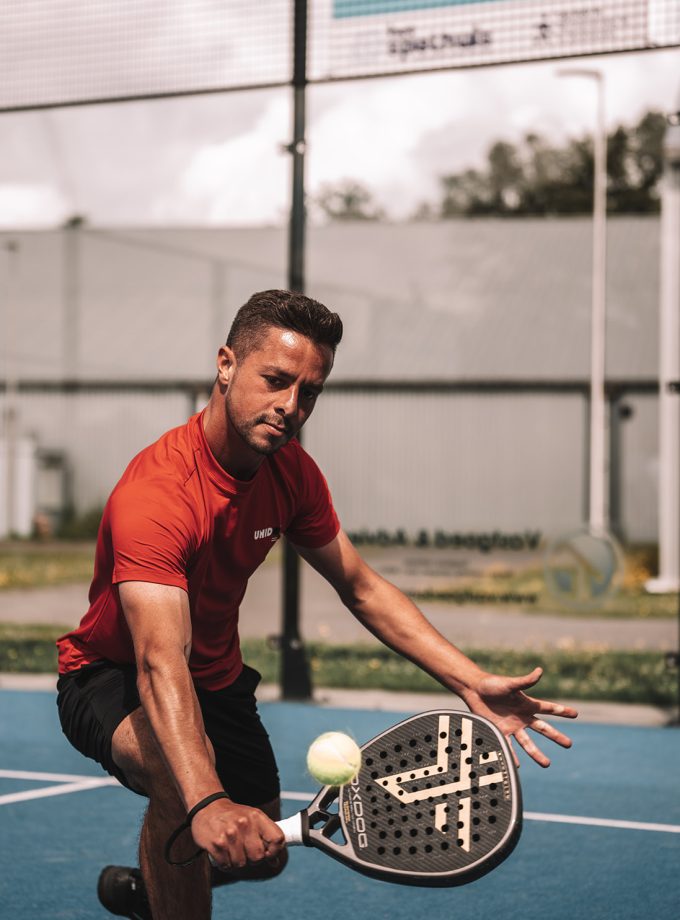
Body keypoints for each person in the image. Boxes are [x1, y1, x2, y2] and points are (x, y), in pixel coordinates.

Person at [56, 289, 577, 920]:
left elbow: (362, 587)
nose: (290, 406)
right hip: (111, 677)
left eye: (309, 392)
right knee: (184, 781)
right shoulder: (158, 495)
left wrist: (470, 680)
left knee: (263, 852)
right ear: (226, 364)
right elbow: (159, 661)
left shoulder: (292, 474)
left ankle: (155, 889)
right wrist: (204, 802)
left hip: (216, 683)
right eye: (275, 381)